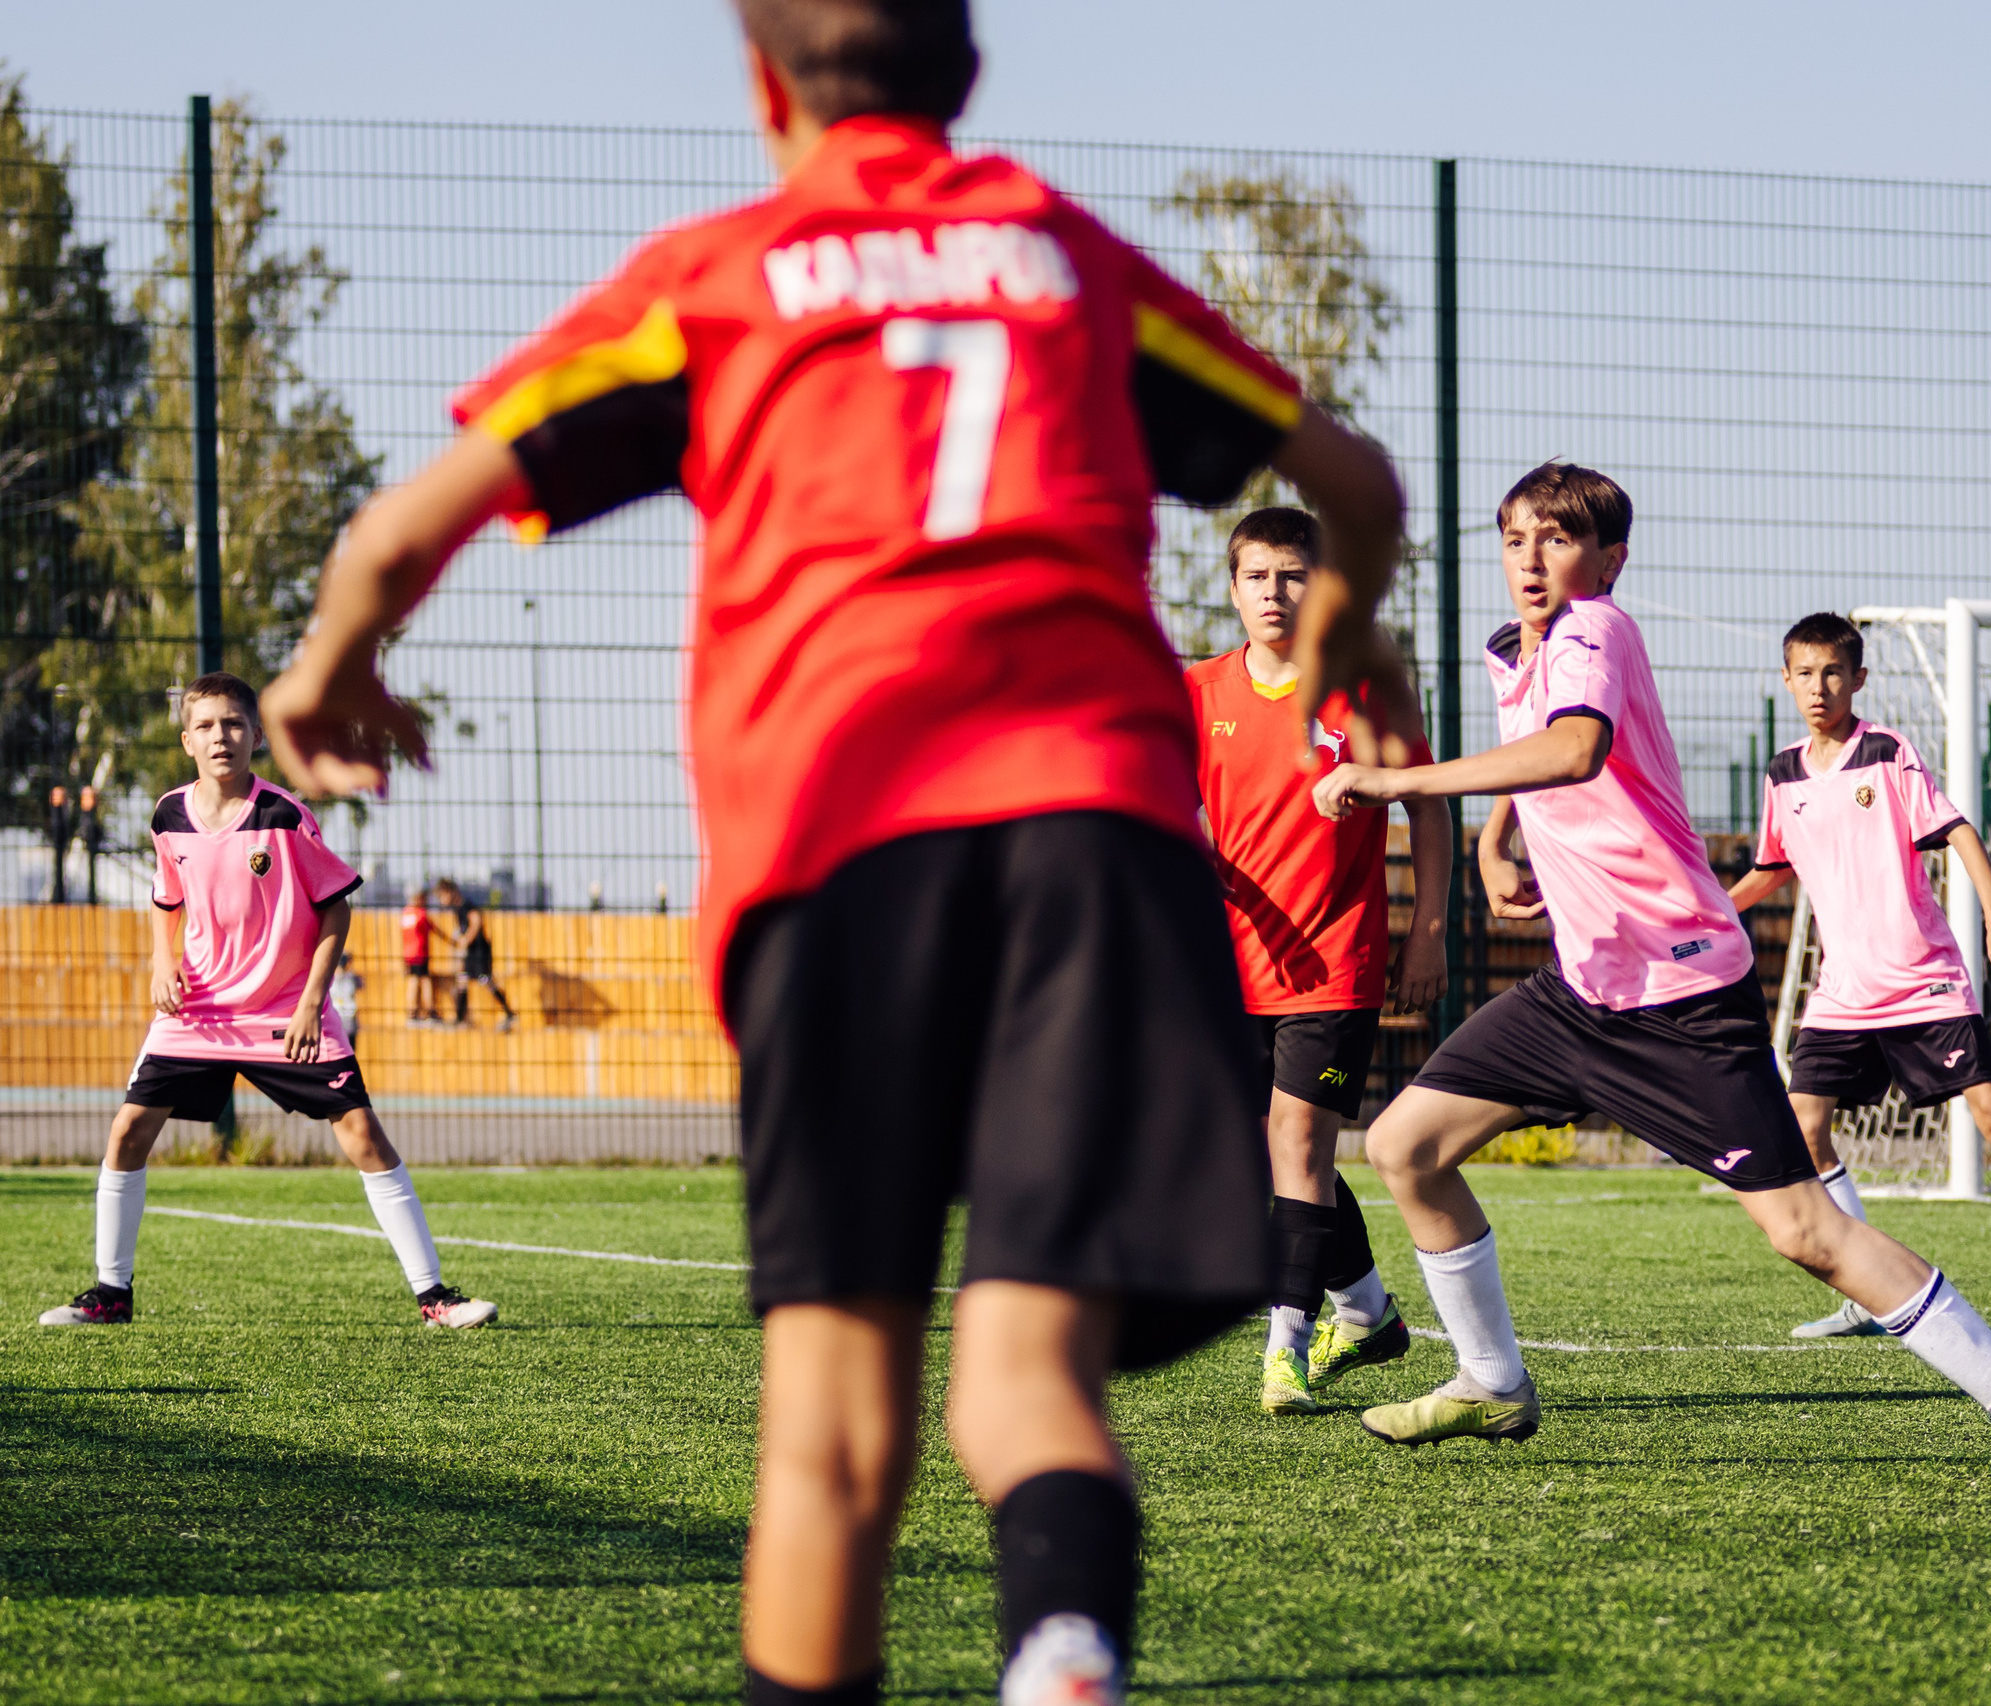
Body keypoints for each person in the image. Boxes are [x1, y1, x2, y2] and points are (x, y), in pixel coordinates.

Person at [255, 3, 1414, 1699]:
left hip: (844, 841)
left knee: (830, 1436)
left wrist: (328, 667)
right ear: (970, 76)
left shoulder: (724, 271)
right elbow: (1355, 479)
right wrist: (1354, 636)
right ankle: (1068, 1646)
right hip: (1095, 832)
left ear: (759, 81)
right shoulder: (1061, 254)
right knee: (1027, 1382)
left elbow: (394, 526)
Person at [1313, 462, 1991, 1493]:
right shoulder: (1513, 652)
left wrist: (1398, 780)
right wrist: (1499, 840)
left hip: (1679, 996)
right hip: (1582, 990)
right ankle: (1492, 1379)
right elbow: (1538, 754)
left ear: (1608, 560)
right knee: (1406, 1144)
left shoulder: (1598, 626)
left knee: (1804, 1230)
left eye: (1555, 540)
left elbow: (1576, 748)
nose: (1531, 561)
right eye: (1513, 540)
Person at [37, 673, 496, 1332]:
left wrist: (313, 1001)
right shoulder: (168, 815)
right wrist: (162, 962)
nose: (220, 736)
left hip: (285, 1010)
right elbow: (167, 899)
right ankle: (112, 1295)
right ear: (187, 738)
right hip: (199, 1013)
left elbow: (335, 910)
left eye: (233, 724)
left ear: (255, 734)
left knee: (363, 1135)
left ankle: (435, 1298)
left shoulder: (284, 815)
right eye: (206, 725)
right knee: (127, 1132)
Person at [1723, 612, 1991, 1338]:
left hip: (1922, 977)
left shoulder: (1886, 751)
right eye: (1805, 673)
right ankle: (1867, 1291)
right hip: (1844, 992)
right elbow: (1771, 868)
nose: (1820, 686)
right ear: (1785, 679)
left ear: (1859, 679)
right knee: (1805, 1130)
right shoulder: (1783, 773)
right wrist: (1706, 911)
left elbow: (1957, 829)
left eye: (1834, 672)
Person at [1186, 505, 1451, 1416]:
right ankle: (1369, 1311)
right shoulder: (1198, 693)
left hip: (1335, 962)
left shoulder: (1360, 691)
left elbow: (1430, 806)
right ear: (1233, 589)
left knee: (1298, 1142)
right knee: (1257, 1147)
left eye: (1293, 575)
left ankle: (1284, 1349)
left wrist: (1426, 930)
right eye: (1257, 576)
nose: (1274, 591)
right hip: (1230, 968)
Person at [437, 877, 517, 1031]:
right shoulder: (457, 908)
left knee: (485, 980)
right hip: (471, 952)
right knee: (462, 979)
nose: (441, 900)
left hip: (479, 951)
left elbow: (476, 921)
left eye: (442, 896)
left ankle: (509, 1013)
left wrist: (466, 940)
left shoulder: (466, 905)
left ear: (449, 892)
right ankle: (460, 1018)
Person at [399, 885, 445, 1023]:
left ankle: (412, 1013)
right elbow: (433, 928)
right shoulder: (421, 914)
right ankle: (430, 1012)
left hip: (408, 954)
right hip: (420, 952)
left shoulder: (406, 913)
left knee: (413, 981)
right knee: (425, 981)